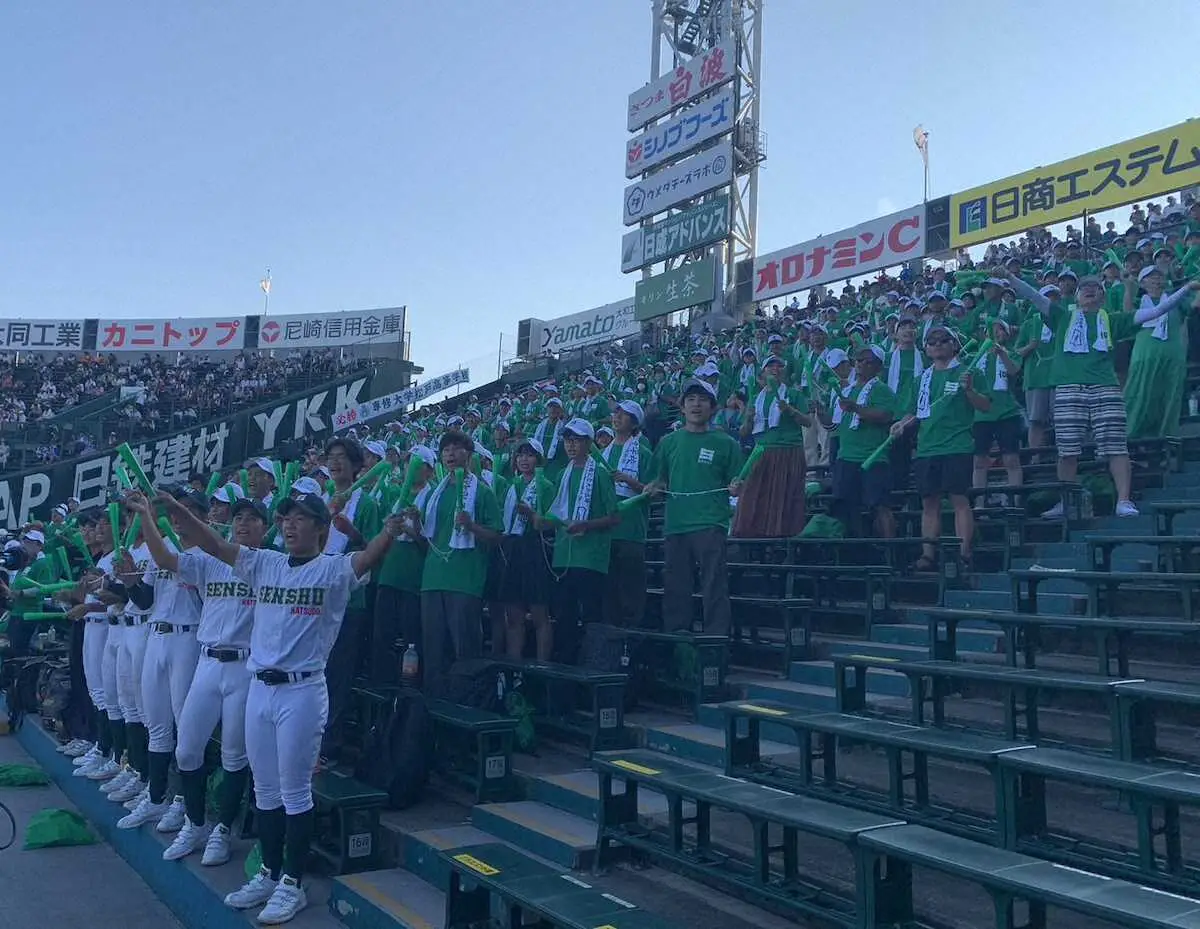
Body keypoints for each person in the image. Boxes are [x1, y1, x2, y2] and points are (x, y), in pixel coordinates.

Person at [157, 489, 404, 925]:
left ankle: (293, 883)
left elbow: (366, 560)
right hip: (259, 687)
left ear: (321, 529)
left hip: (302, 693)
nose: (290, 524)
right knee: (266, 791)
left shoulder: (330, 570)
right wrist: (176, 511)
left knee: (294, 794)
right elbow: (214, 544)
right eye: (285, 517)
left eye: (301, 518)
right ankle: (270, 873)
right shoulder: (265, 562)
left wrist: (388, 531)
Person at [124, 491, 266, 866]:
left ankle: (221, 831)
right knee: (187, 749)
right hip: (207, 662)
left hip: (245, 666)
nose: (243, 523)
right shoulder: (208, 561)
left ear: (266, 529)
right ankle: (196, 822)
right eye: (239, 518)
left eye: (252, 519)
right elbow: (166, 558)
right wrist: (147, 517)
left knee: (235, 756)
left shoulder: (271, 565)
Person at [1002, 268, 1199, 517]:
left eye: (1095, 287)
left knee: (1117, 447)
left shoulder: (1113, 319)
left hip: (1105, 386)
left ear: (1103, 297)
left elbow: (1158, 310)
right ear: (1076, 297)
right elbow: (1033, 295)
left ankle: (1124, 500)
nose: (1089, 289)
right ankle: (1066, 502)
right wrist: (1010, 277)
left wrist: (1185, 289)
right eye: (1084, 287)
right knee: (1067, 450)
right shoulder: (1061, 316)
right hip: (1068, 387)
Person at [116, 488, 206, 833]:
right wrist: (130, 580)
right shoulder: (161, 551)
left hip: (188, 636)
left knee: (186, 730)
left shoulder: (208, 554)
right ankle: (157, 799)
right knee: (156, 725)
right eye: (176, 514)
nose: (179, 520)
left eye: (187, 513)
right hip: (156, 634)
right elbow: (143, 600)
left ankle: (184, 804)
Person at [889, 325, 990, 569]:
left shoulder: (970, 371)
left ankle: (965, 552)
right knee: (929, 504)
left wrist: (969, 390)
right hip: (926, 448)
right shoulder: (921, 379)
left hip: (957, 445)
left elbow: (985, 405)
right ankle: (927, 554)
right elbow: (912, 413)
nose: (937, 344)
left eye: (943, 340)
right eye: (931, 341)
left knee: (959, 501)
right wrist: (900, 425)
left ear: (954, 344)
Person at [410, 430, 502, 695]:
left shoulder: (483, 493)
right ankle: (433, 707)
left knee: (465, 651)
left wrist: (471, 526)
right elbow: (425, 541)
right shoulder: (433, 495)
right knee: (433, 650)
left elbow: (496, 536)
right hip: (432, 579)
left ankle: (464, 706)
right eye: (446, 449)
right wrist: (415, 521)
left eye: (456, 448)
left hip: (465, 582)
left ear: (469, 455)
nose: (450, 454)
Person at [648, 378, 743, 635]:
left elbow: (738, 482)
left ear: (713, 407)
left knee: (714, 585)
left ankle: (716, 640)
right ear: (682, 407)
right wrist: (654, 487)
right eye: (690, 399)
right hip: (676, 524)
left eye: (702, 400)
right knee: (676, 587)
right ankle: (678, 643)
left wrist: (737, 487)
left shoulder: (727, 443)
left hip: (711, 523)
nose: (696, 405)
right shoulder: (669, 442)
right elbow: (658, 479)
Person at [320, 437, 380, 760]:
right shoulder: (321, 500)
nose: (335, 462)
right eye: (331, 457)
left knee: (339, 673)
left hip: (349, 600)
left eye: (342, 457)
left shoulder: (367, 503)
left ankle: (331, 740)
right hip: (318, 597)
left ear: (358, 466)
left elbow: (374, 549)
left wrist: (352, 533)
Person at [546, 418, 618, 663]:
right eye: (567, 440)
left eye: (576, 440)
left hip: (591, 558)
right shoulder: (561, 475)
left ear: (589, 443)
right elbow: (555, 513)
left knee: (591, 617)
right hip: (564, 556)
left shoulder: (599, 473)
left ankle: (593, 664)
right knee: (564, 616)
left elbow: (614, 517)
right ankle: (566, 664)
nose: (571, 445)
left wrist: (586, 525)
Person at [373, 445, 435, 684]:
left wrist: (411, 528)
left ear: (429, 471)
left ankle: (409, 693)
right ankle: (382, 689)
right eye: (409, 462)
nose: (411, 467)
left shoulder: (432, 496)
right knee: (382, 637)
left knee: (411, 641)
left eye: (418, 464)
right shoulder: (399, 496)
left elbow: (431, 545)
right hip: (389, 575)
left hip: (413, 579)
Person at [734, 354, 809, 538]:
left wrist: (790, 410)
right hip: (761, 452)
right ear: (762, 373)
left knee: (785, 500)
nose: (775, 370)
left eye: (779, 366)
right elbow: (744, 432)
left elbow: (807, 422)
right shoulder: (756, 398)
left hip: (788, 451)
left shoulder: (793, 394)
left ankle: (784, 541)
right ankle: (755, 540)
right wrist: (749, 418)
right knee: (753, 497)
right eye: (770, 366)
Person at [1123, 266, 1199, 440]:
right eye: (1151, 277)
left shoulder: (1177, 300)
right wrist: (1128, 287)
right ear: (1142, 282)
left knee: (1170, 397)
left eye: (1159, 276)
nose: (1157, 280)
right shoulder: (1139, 301)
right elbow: (1127, 314)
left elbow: (1195, 305)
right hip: (1144, 358)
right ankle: (1130, 438)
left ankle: (1167, 440)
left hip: (1173, 356)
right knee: (1139, 395)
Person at [497, 438, 556, 660]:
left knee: (540, 614)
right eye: (520, 454)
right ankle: (514, 665)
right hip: (513, 550)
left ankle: (542, 666)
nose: (524, 459)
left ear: (538, 460)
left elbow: (552, 524)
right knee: (513, 616)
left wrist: (532, 514)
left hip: (536, 551)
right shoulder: (513, 486)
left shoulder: (547, 486)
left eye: (530, 455)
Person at [831, 346, 896, 538]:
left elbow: (885, 415)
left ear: (878, 368)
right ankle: (855, 552)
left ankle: (890, 551)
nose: (862, 364)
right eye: (859, 360)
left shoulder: (882, 389)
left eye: (869, 361)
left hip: (873, 456)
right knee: (847, 508)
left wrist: (857, 409)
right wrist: (820, 412)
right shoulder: (846, 390)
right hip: (846, 455)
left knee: (880, 506)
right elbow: (833, 424)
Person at [601, 400, 652, 627]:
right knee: (607, 593)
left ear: (634, 423)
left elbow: (654, 492)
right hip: (604, 530)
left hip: (631, 530)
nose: (617, 417)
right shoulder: (603, 453)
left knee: (631, 592)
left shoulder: (644, 452)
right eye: (616, 413)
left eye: (624, 414)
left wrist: (629, 480)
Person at [970, 319, 1024, 499]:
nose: (996, 333)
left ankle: (1015, 501)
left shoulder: (1012, 353)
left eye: (1000, 329)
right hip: (981, 416)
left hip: (1007, 412)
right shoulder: (976, 357)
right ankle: (979, 504)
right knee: (978, 462)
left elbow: (1014, 370)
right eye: (992, 330)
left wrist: (1002, 354)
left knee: (1011, 459)